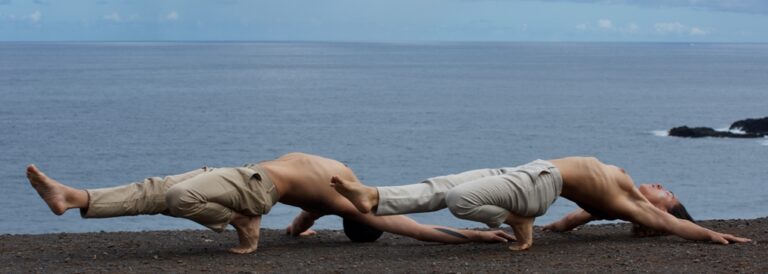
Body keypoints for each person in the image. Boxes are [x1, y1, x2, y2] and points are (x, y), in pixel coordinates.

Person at [26, 152, 513, 254]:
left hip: (254, 187)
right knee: (153, 192)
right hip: (240, 173)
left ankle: (242, 221)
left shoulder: (358, 206)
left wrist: (475, 236)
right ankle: (75, 198)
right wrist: (300, 228)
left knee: (176, 196)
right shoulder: (334, 200)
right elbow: (298, 225)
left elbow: (421, 230)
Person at [330, 156, 751, 251]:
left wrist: (713, 235)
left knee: (459, 200)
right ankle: (375, 196)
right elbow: (574, 219)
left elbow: (678, 226)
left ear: (657, 213)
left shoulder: (634, 207)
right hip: (530, 172)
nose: (662, 186)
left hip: (540, 184)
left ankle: (518, 219)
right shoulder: (611, 204)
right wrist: (558, 227)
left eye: (668, 194)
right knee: (443, 186)